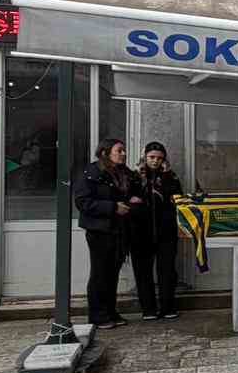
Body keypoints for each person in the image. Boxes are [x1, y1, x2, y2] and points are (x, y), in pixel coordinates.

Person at [73, 138, 134, 330]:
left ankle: (110, 311)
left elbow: (135, 186)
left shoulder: (122, 172)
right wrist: (113, 207)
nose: (123, 154)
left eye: (124, 151)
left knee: (112, 274)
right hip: (100, 230)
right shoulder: (91, 173)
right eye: (119, 151)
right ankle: (98, 315)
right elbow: (83, 202)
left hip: (118, 230)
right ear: (105, 153)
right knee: (100, 273)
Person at [130, 141, 183, 321]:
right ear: (145, 157)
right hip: (140, 232)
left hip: (165, 232)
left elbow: (177, 198)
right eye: (152, 157)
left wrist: (167, 175)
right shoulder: (134, 177)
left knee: (167, 271)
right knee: (143, 271)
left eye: (159, 158)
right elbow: (129, 198)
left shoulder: (170, 176)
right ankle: (148, 309)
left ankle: (168, 307)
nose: (155, 161)